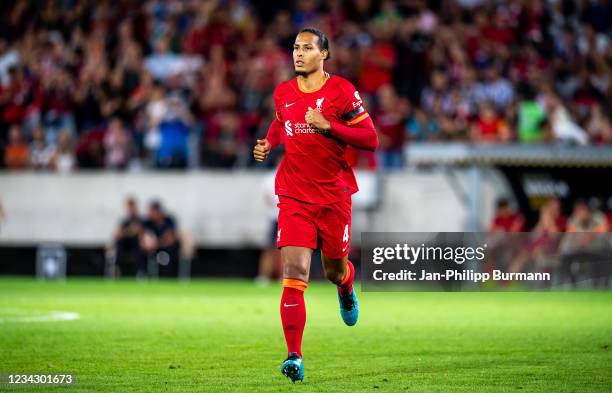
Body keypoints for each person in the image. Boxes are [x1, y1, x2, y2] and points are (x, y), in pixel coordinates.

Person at [252, 28, 378, 382]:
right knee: (294, 273)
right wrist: (268, 143)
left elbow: (370, 139)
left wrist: (330, 126)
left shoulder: (342, 91)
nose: (299, 54)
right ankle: (294, 356)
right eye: (295, 47)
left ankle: (347, 286)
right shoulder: (283, 93)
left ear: (324, 54)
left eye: (307, 48)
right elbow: (281, 124)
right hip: (293, 194)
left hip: (333, 196)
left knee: (335, 269)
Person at [142, 200, 180, 277]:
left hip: (165, 247)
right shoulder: (148, 222)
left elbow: (170, 238)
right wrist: (147, 244)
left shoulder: (169, 220)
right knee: (141, 252)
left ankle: (168, 276)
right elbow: (143, 236)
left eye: (153, 211)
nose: (151, 213)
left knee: (169, 252)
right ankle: (143, 274)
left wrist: (157, 244)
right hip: (152, 248)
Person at [113, 198, 145, 277]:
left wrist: (128, 232)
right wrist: (129, 231)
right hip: (125, 247)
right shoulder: (124, 221)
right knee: (119, 243)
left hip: (136, 248)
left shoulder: (141, 220)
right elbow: (118, 234)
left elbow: (140, 232)